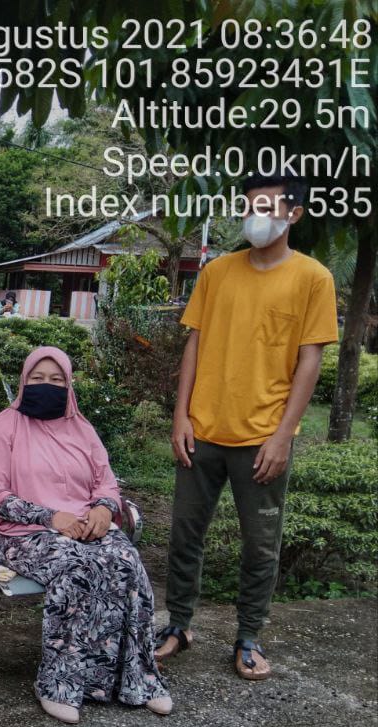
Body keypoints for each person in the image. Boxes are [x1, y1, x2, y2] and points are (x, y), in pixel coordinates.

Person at [158, 172, 337, 681]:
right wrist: (181, 415)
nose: (255, 216)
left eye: (268, 207)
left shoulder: (313, 278)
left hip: (262, 438)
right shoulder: (217, 272)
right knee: (185, 534)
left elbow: (310, 360)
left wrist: (283, 434)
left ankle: (249, 637)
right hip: (203, 431)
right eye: (250, 205)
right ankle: (179, 626)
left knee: (260, 544)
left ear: (294, 214)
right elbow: (194, 343)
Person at [0, 347, 171, 725]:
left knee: (126, 562)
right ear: (24, 381)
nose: (47, 386)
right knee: (75, 568)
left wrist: (104, 508)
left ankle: (138, 679)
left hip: (83, 524)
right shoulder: (2, 428)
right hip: (19, 532)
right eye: (38, 379)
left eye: (57, 380)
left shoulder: (82, 429)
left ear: (69, 385)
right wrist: (51, 517)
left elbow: (105, 481)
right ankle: (59, 684)